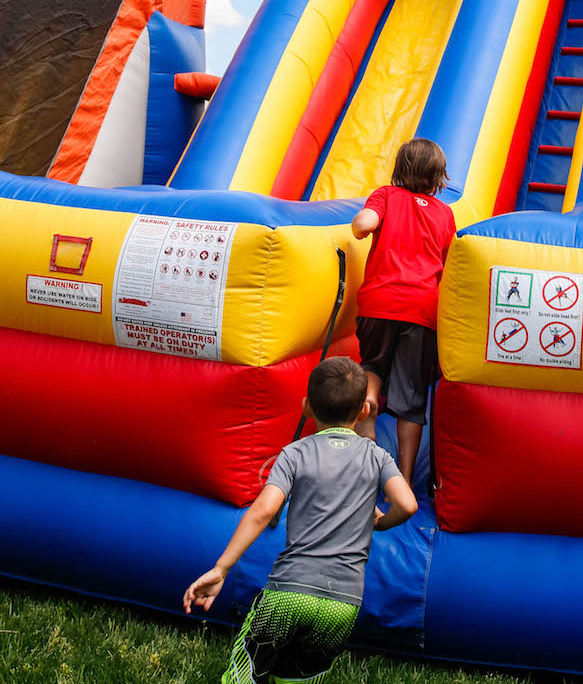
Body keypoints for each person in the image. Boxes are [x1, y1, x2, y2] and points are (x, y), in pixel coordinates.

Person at [183, 357, 417, 684]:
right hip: (343, 602)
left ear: (306, 406)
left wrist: (221, 568)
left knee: (245, 675)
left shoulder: (296, 453)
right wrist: (380, 522)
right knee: (298, 678)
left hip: (288, 592)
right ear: (364, 411)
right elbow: (407, 504)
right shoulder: (376, 457)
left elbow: (264, 511)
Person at [351, 137, 456, 485]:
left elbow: (363, 225)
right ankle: (405, 481)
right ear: (438, 176)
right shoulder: (444, 214)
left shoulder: (385, 196)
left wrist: (364, 223)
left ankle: (368, 400)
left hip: (379, 302)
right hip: (422, 309)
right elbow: (449, 265)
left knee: (372, 367)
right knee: (411, 400)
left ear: (401, 168)